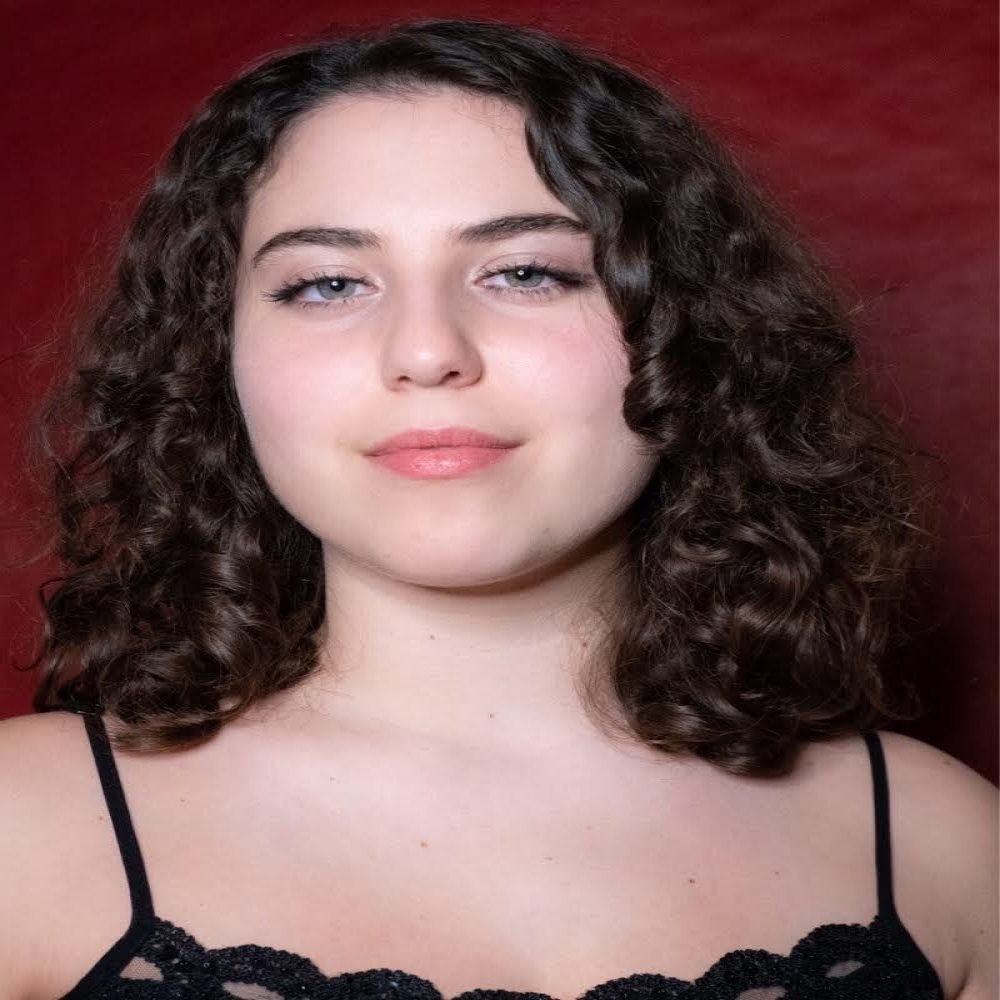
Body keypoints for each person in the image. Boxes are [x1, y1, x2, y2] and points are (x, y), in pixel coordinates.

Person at [0, 16, 995, 1000]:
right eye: (328, 284)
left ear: (686, 329)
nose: (426, 350)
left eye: (525, 272)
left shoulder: (944, 850)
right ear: (216, 359)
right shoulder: (26, 833)